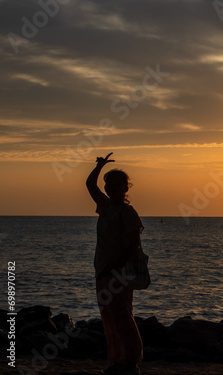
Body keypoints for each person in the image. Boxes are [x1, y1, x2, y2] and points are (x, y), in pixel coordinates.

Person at [86, 152, 144, 375]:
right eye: (109, 184)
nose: (111, 188)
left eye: (117, 185)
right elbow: (90, 184)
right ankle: (117, 361)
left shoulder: (128, 211)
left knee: (123, 315)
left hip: (119, 272)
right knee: (108, 316)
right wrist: (99, 166)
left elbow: (133, 243)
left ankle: (131, 362)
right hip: (102, 269)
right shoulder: (105, 205)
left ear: (125, 188)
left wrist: (116, 265)